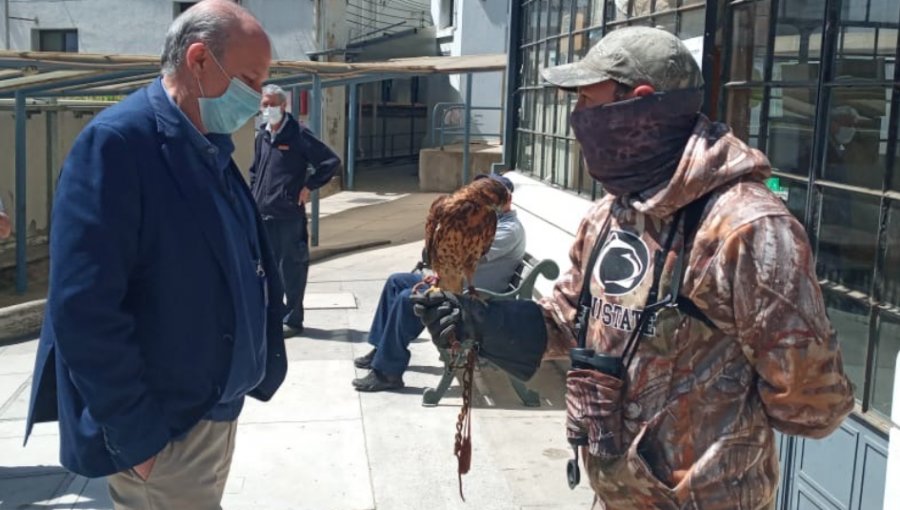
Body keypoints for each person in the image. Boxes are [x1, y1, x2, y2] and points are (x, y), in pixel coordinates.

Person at [412, 27, 854, 509]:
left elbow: (813, 404)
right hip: (618, 495)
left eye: (586, 101)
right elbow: (567, 320)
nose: (577, 118)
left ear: (639, 106)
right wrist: (484, 323)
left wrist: (712, 416)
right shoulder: (611, 214)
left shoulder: (746, 228)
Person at [25, 2, 287, 508]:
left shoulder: (207, 145)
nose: (258, 100)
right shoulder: (118, 145)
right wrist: (137, 439)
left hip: (212, 411)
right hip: (167, 432)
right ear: (199, 60)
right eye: (250, 81)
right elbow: (83, 310)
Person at [352, 173, 526, 392]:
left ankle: (387, 372)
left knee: (409, 299)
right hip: (450, 280)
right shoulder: (488, 217)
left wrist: (442, 274)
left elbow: (468, 258)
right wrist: (434, 270)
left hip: (473, 295)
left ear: (504, 199)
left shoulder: (508, 229)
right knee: (396, 281)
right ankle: (380, 349)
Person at [249, 83, 341, 336]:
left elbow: (330, 162)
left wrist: (308, 186)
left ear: (283, 105)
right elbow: (255, 171)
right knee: (266, 269)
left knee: (291, 267)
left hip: (288, 214)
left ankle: (293, 319)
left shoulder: (298, 135)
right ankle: (273, 314)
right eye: (264, 105)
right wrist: (253, 196)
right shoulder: (263, 137)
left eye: (271, 104)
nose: (267, 109)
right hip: (263, 213)